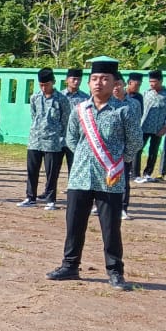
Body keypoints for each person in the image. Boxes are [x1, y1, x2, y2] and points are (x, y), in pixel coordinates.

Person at [46, 59, 142, 291]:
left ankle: (115, 271)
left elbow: (135, 142)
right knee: (74, 224)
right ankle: (70, 265)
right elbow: (71, 139)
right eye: (95, 79)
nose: (99, 83)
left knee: (110, 228)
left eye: (105, 79)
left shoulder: (124, 111)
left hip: (110, 177)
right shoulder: (80, 109)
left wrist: (120, 161)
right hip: (80, 176)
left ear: (114, 83)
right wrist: (83, 157)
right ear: (89, 83)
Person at [20, 68, 66, 210]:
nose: (44, 88)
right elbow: (34, 116)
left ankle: (50, 200)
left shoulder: (61, 99)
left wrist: (61, 139)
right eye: (41, 85)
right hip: (35, 139)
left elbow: (65, 120)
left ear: (53, 82)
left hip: (53, 142)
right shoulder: (35, 97)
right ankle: (30, 197)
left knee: (51, 172)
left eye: (46, 84)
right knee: (32, 170)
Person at [112, 72, 141, 220]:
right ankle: (100, 205)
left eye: (118, 84)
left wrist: (129, 152)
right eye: (113, 84)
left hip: (124, 149)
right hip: (107, 149)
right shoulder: (107, 103)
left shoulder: (134, 104)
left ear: (124, 84)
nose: (116, 87)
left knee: (123, 179)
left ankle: (123, 207)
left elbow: (136, 127)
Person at [135, 69, 166, 182]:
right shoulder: (147, 93)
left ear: (161, 81)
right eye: (150, 81)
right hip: (144, 126)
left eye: (154, 81)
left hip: (158, 128)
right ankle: (135, 173)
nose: (152, 84)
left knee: (153, 151)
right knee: (138, 149)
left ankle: (148, 173)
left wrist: (165, 127)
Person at [59, 67, 88, 172]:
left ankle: (71, 189)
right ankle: (51, 189)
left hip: (76, 139)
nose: (76, 82)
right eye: (74, 79)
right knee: (53, 169)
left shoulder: (85, 98)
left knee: (75, 168)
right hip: (59, 138)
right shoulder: (59, 96)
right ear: (67, 80)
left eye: (79, 79)